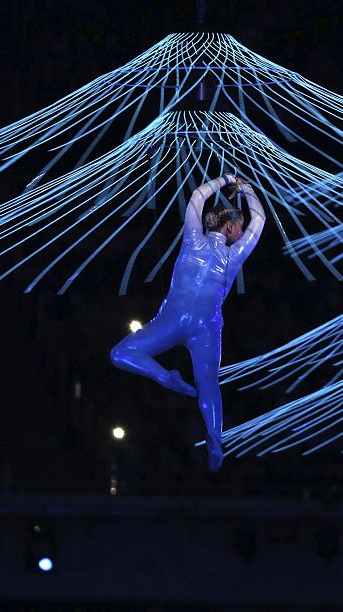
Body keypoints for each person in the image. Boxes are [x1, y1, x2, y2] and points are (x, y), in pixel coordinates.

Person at [110, 174, 265, 471]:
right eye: (240, 227)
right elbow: (259, 218)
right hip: (205, 327)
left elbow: (196, 197)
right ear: (230, 226)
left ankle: (166, 378)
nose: (243, 230)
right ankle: (215, 437)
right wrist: (244, 186)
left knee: (120, 353)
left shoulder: (193, 240)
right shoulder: (234, 256)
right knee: (208, 384)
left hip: (174, 320)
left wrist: (224, 180)